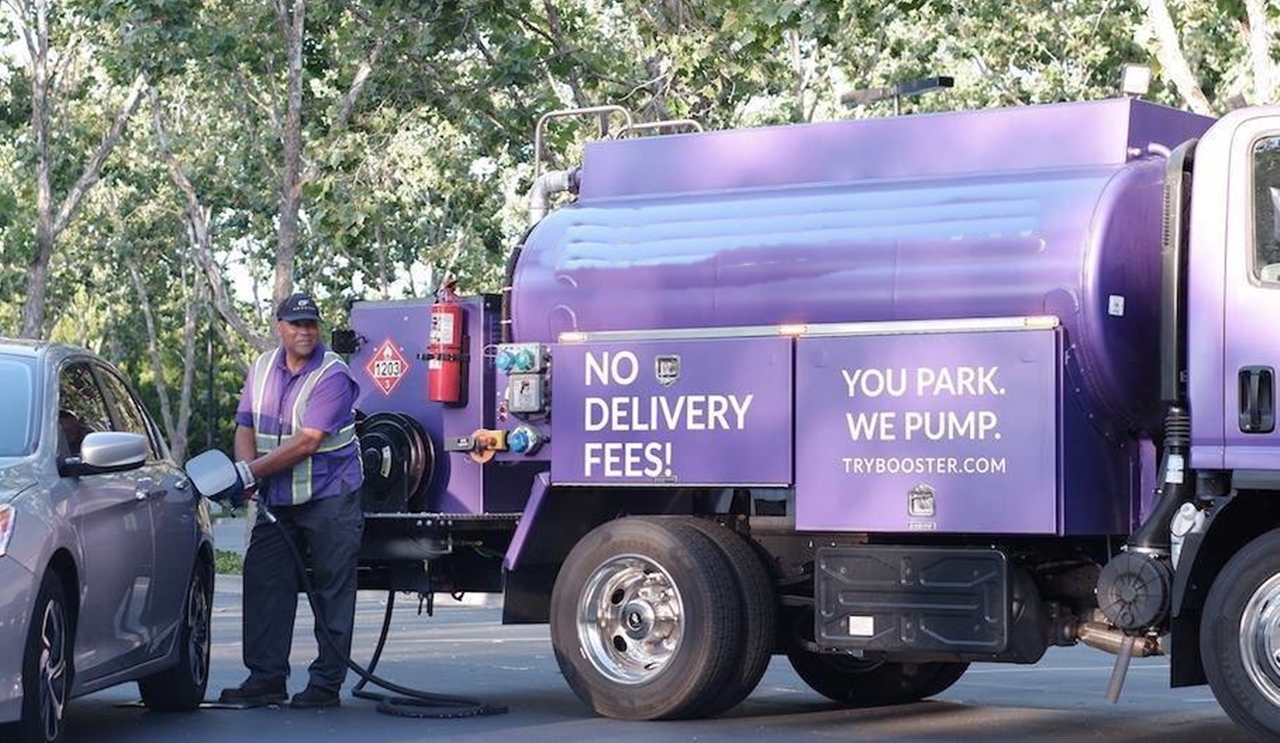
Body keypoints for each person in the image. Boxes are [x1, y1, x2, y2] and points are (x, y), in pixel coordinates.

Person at [218, 292, 365, 709]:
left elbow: (307, 442)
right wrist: (247, 470)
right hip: (277, 498)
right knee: (264, 580)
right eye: (296, 324)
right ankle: (266, 679)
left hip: (330, 495)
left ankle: (325, 684)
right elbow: (245, 425)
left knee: (331, 588)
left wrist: (249, 473)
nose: (305, 331)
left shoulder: (332, 374)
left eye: (311, 324)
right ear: (279, 327)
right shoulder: (262, 367)